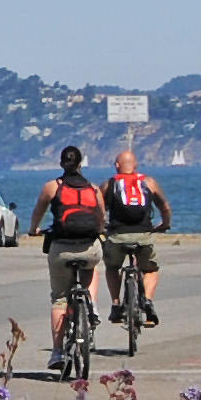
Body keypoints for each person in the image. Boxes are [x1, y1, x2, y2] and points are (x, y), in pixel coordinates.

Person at [28, 147, 111, 364]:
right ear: (81, 164)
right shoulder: (93, 188)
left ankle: (57, 353)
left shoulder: (52, 187)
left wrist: (34, 229)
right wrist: (100, 231)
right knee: (91, 267)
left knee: (59, 299)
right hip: (88, 247)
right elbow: (101, 218)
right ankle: (90, 303)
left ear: (61, 163)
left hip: (61, 248)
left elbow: (38, 212)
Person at [100, 147, 174, 325]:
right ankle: (147, 300)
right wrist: (165, 224)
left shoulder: (109, 184)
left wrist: (102, 228)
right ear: (136, 165)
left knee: (112, 267)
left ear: (117, 166)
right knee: (150, 269)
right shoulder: (149, 182)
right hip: (143, 236)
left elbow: (99, 210)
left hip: (117, 236)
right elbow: (165, 207)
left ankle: (116, 304)